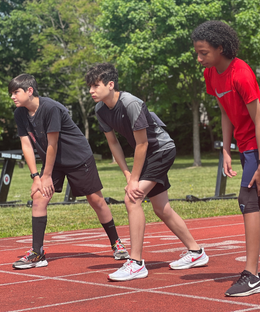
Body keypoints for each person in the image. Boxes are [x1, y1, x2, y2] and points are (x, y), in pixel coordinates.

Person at [85, 63, 209, 282]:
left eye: (95, 85)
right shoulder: (100, 109)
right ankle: (196, 252)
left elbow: (142, 144)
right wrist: (126, 174)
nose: (91, 90)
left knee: (132, 200)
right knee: (162, 208)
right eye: (90, 86)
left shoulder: (131, 103)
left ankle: (136, 263)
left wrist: (134, 180)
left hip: (161, 150)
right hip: (148, 153)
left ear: (110, 84)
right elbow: (113, 143)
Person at [8, 74, 129, 270]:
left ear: (29, 91)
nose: (12, 97)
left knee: (95, 200)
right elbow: (26, 145)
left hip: (78, 158)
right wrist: (36, 177)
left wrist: (46, 176)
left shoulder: (51, 108)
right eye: (11, 93)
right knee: (39, 198)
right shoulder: (20, 113)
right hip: (52, 162)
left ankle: (116, 243)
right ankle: (37, 253)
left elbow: (52, 144)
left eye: (16, 92)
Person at [192, 20, 260, 297]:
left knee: (248, 200)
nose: (199, 58)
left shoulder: (241, 74)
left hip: (256, 144)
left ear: (220, 48)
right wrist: (225, 149)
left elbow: (258, 118)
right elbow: (224, 111)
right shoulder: (211, 74)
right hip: (243, 146)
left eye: (203, 53)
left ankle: (252, 274)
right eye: (197, 52)